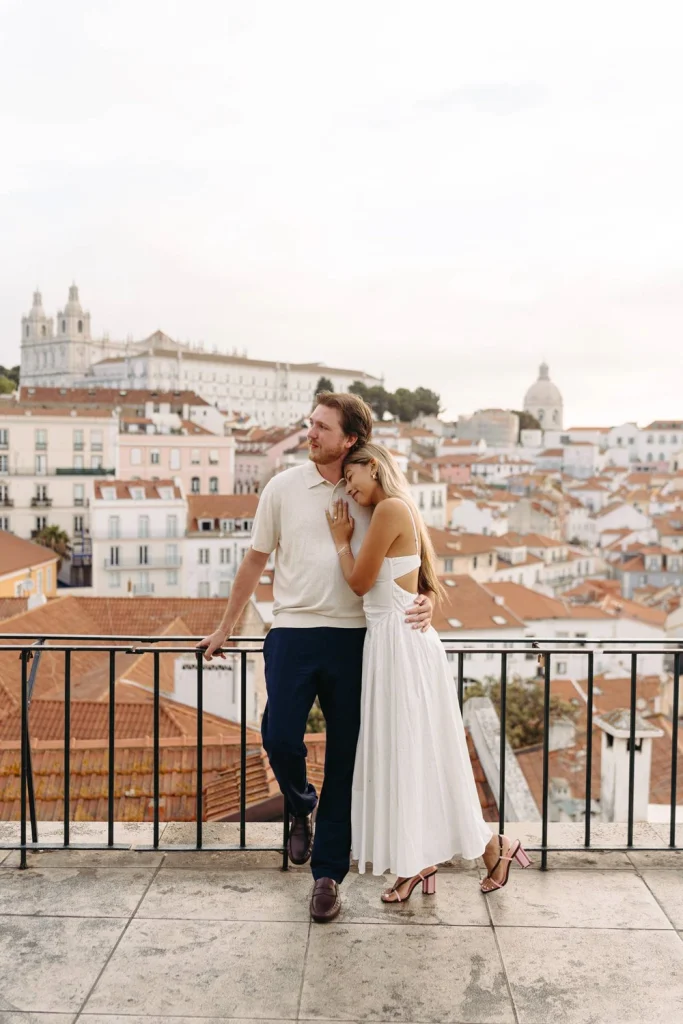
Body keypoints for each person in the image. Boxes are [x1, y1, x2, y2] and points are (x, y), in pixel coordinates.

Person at [197, 393, 435, 922]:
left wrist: (428, 598)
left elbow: (413, 561)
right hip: (293, 630)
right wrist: (224, 627)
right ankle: (300, 804)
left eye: (321, 428)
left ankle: (327, 876)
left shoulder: (373, 496)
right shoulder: (282, 487)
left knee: (347, 759)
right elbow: (254, 561)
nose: (311, 434)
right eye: (310, 425)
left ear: (350, 439)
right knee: (279, 735)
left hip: (356, 638)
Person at [325, 442, 532, 902]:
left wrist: (340, 540)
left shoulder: (391, 509)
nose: (347, 487)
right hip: (393, 643)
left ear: (372, 468)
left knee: (418, 755)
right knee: (411, 757)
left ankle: (480, 850)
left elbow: (360, 583)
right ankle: (428, 860)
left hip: (399, 645)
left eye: (351, 477)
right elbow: (412, 583)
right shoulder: (394, 509)